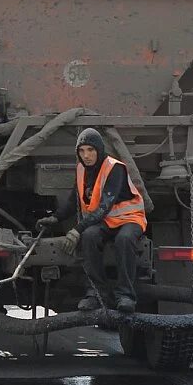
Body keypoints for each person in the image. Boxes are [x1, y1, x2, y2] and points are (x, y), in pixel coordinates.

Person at [36, 128, 147, 313]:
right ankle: (96, 294)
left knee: (124, 239)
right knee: (89, 236)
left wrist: (76, 229)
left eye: (91, 150)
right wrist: (54, 218)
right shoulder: (81, 170)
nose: (86, 155)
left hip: (129, 219)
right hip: (105, 221)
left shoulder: (114, 167)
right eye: (82, 151)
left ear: (99, 150)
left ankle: (125, 295)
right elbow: (73, 201)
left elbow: (104, 206)